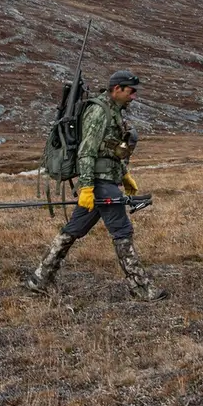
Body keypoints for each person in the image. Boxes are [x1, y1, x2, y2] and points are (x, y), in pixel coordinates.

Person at [26, 70, 168, 301]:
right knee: (122, 231)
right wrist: (86, 187)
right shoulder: (99, 111)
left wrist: (123, 175)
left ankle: (39, 278)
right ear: (117, 89)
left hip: (105, 179)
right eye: (131, 91)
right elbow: (87, 151)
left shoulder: (114, 111)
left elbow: (110, 149)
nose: (133, 96)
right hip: (99, 182)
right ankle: (142, 288)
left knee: (73, 230)